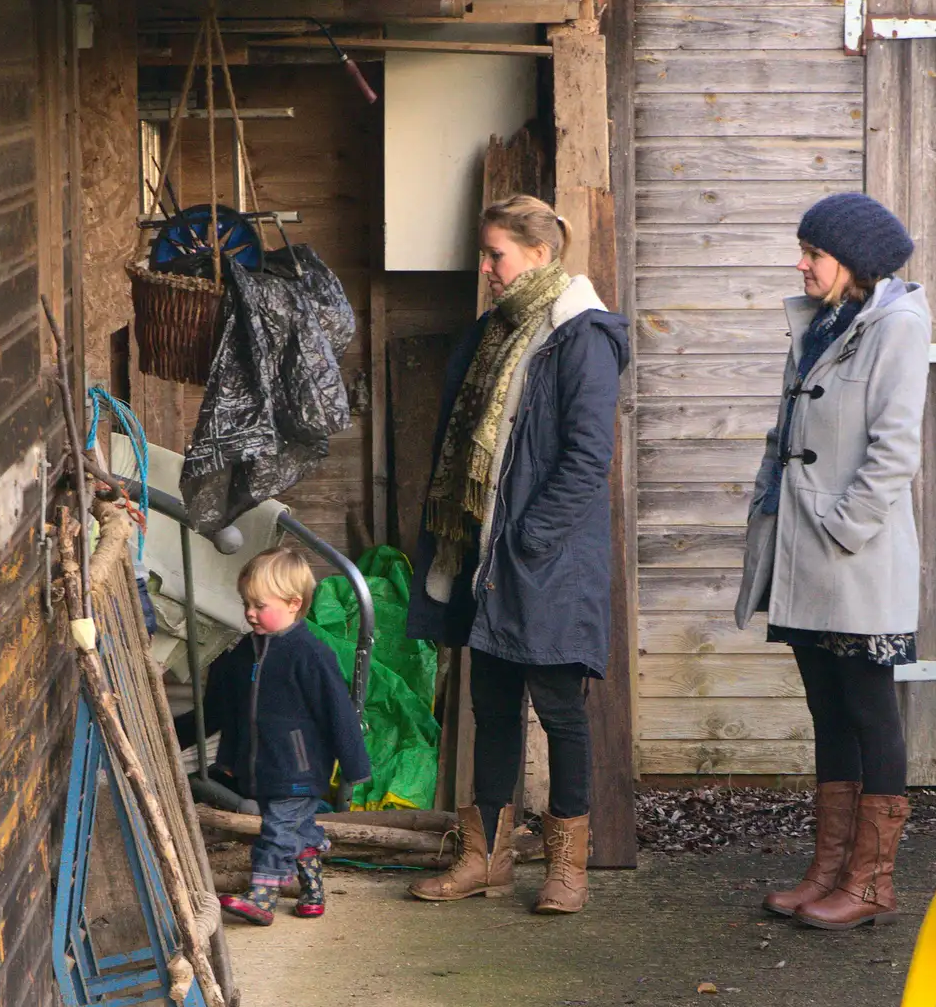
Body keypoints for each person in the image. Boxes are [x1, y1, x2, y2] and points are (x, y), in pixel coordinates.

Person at [405, 195, 630, 915]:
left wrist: (529, 539)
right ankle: (486, 856)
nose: (487, 268)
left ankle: (568, 867)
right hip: (487, 550)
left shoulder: (580, 337)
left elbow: (587, 457)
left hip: (547, 556)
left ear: (538, 253)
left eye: (497, 253)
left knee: (560, 706)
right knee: (493, 702)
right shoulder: (494, 333)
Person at [735, 192, 931, 931]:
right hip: (804, 552)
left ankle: (871, 882)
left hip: (852, 557)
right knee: (826, 710)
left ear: (850, 261)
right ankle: (829, 869)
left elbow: (894, 448)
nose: (801, 262)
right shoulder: (823, 323)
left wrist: (842, 529)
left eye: (813, 252)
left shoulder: (898, 325)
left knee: (868, 710)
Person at [208, 547, 372, 926]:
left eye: (259, 604)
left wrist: (354, 765)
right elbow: (227, 712)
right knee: (297, 829)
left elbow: (339, 713)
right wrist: (227, 759)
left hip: (299, 769)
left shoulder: (310, 654)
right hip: (264, 768)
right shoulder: (244, 653)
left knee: (276, 830)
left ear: (294, 603)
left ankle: (262, 898)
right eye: (246, 603)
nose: (249, 612)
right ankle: (312, 889)